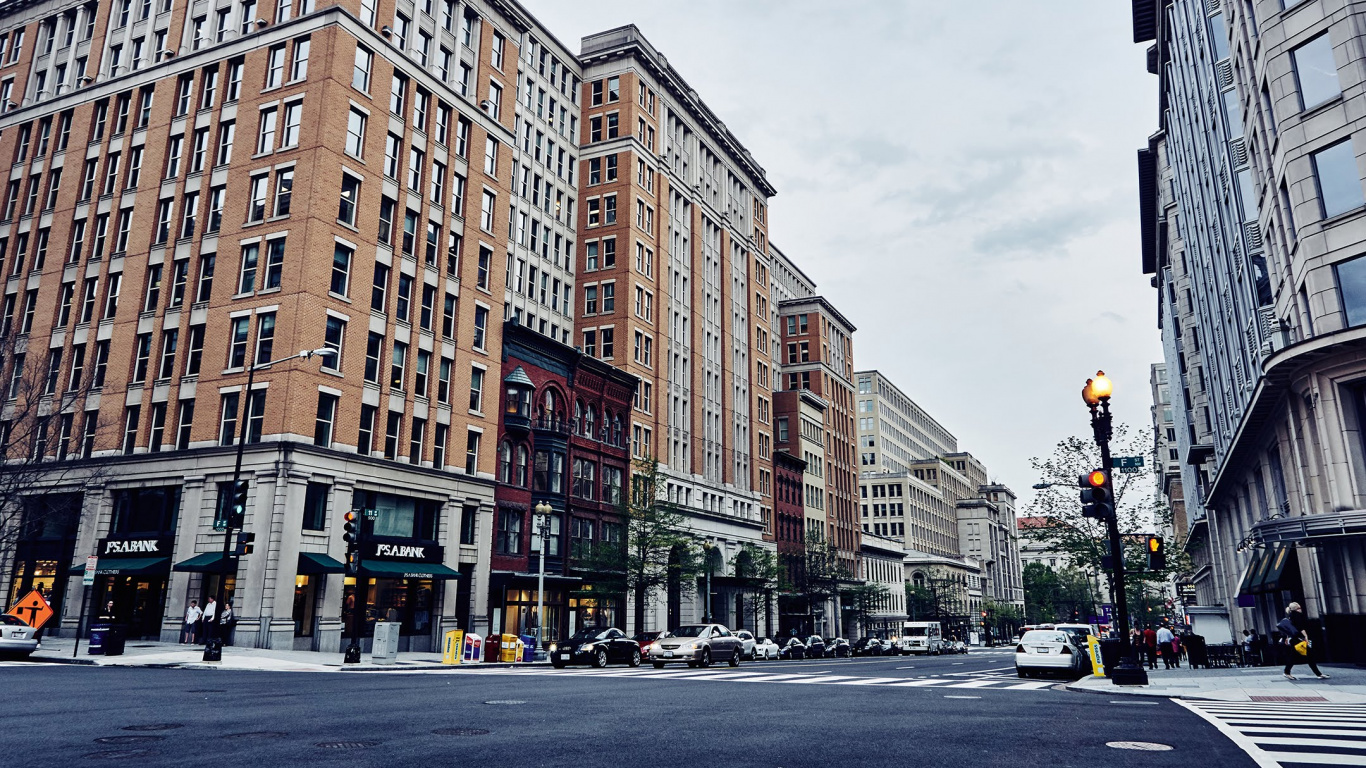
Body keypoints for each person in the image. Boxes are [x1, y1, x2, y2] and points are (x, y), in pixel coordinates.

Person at [1278, 602, 1329, 681]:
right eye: (1299, 608)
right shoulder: (1297, 615)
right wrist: (1305, 636)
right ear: (1296, 609)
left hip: (1295, 639)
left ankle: (1287, 672)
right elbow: (1300, 627)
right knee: (1308, 655)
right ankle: (1318, 674)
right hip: (1299, 639)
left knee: (1298, 656)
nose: (1301, 609)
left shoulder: (1291, 615)